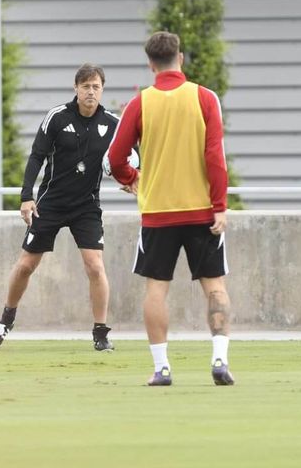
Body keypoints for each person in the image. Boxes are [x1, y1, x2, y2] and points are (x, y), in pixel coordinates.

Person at [107, 31, 233, 387]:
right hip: (202, 210)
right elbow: (215, 156)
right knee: (214, 285)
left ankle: (162, 368)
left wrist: (132, 178)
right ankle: (219, 359)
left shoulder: (140, 103)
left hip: (158, 212)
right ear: (180, 58)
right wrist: (220, 206)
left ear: (150, 64)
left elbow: (115, 158)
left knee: (156, 290)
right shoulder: (204, 98)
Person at [0, 63, 121, 352]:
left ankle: (100, 332)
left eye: (96, 86)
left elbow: (128, 156)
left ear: (102, 90)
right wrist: (26, 196)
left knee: (95, 266)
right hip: (52, 203)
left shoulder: (112, 123)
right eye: (85, 86)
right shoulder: (57, 117)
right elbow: (36, 156)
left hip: (87, 206)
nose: (91, 92)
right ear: (76, 88)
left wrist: (132, 177)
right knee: (26, 265)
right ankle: (6, 319)